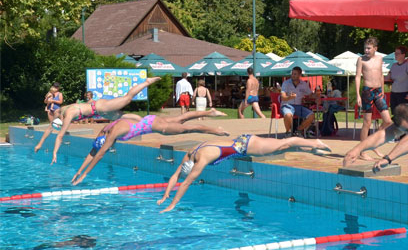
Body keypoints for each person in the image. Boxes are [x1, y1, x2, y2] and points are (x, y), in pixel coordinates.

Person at [157, 134, 332, 212]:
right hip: (243, 141)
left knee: (283, 143)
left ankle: (314, 142)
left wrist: (173, 204)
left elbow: (186, 182)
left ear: (193, 165)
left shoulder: (201, 159)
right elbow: (176, 175)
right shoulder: (191, 153)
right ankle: (312, 150)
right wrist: (165, 195)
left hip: (246, 146)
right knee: (281, 149)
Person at [71, 109, 229, 185]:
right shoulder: (104, 130)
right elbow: (93, 152)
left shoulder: (113, 133)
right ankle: (210, 112)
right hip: (150, 120)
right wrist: (79, 171)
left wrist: (85, 175)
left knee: (186, 128)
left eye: (107, 143)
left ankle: (216, 131)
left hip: (155, 126)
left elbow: (99, 155)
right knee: (180, 119)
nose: (108, 144)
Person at [49, 76, 161, 163]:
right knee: (123, 116)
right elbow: (57, 127)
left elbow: (60, 136)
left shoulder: (68, 114)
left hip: (101, 107)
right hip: (101, 112)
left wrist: (54, 152)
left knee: (127, 98)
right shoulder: (65, 110)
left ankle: (147, 82)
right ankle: (146, 121)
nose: (64, 124)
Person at [355, 37, 392, 159]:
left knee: (388, 121)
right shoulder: (361, 60)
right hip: (367, 92)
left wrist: (382, 90)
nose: (366, 50)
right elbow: (358, 77)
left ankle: (374, 143)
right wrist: (358, 95)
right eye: (365, 48)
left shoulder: (379, 59)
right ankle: (362, 151)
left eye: (369, 48)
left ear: (375, 49)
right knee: (367, 122)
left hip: (378, 92)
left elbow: (381, 74)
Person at [281, 66, 317, 138]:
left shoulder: (303, 84)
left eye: (295, 74)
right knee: (288, 115)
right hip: (287, 105)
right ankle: (288, 132)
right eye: (292, 74)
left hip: (298, 106)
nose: (293, 75)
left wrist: (318, 96)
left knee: (312, 115)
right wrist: (289, 97)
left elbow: (310, 95)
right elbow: (283, 97)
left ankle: (298, 131)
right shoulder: (286, 83)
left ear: (300, 75)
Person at [34, 82, 63, 152]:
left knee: (53, 124)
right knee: (51, 125)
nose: (55, 88)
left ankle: (41, 143)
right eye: (54, 87)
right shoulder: (49, 93)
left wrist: (53, 100)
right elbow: (45, 101)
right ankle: (52, 137)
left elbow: (60, 102)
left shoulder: (60, 94)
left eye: (56, 87)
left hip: (56, 109)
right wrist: (47, 98)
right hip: (50, 110)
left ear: (58, 88)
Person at [385, 46, 408, 112]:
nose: (395, 55)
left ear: (403, 55)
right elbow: (387, 77)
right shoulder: (393, 66)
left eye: (397, 53)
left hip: (404, 94)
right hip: (394, 93)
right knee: (394, 113)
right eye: (395, 53)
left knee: (404, 114)